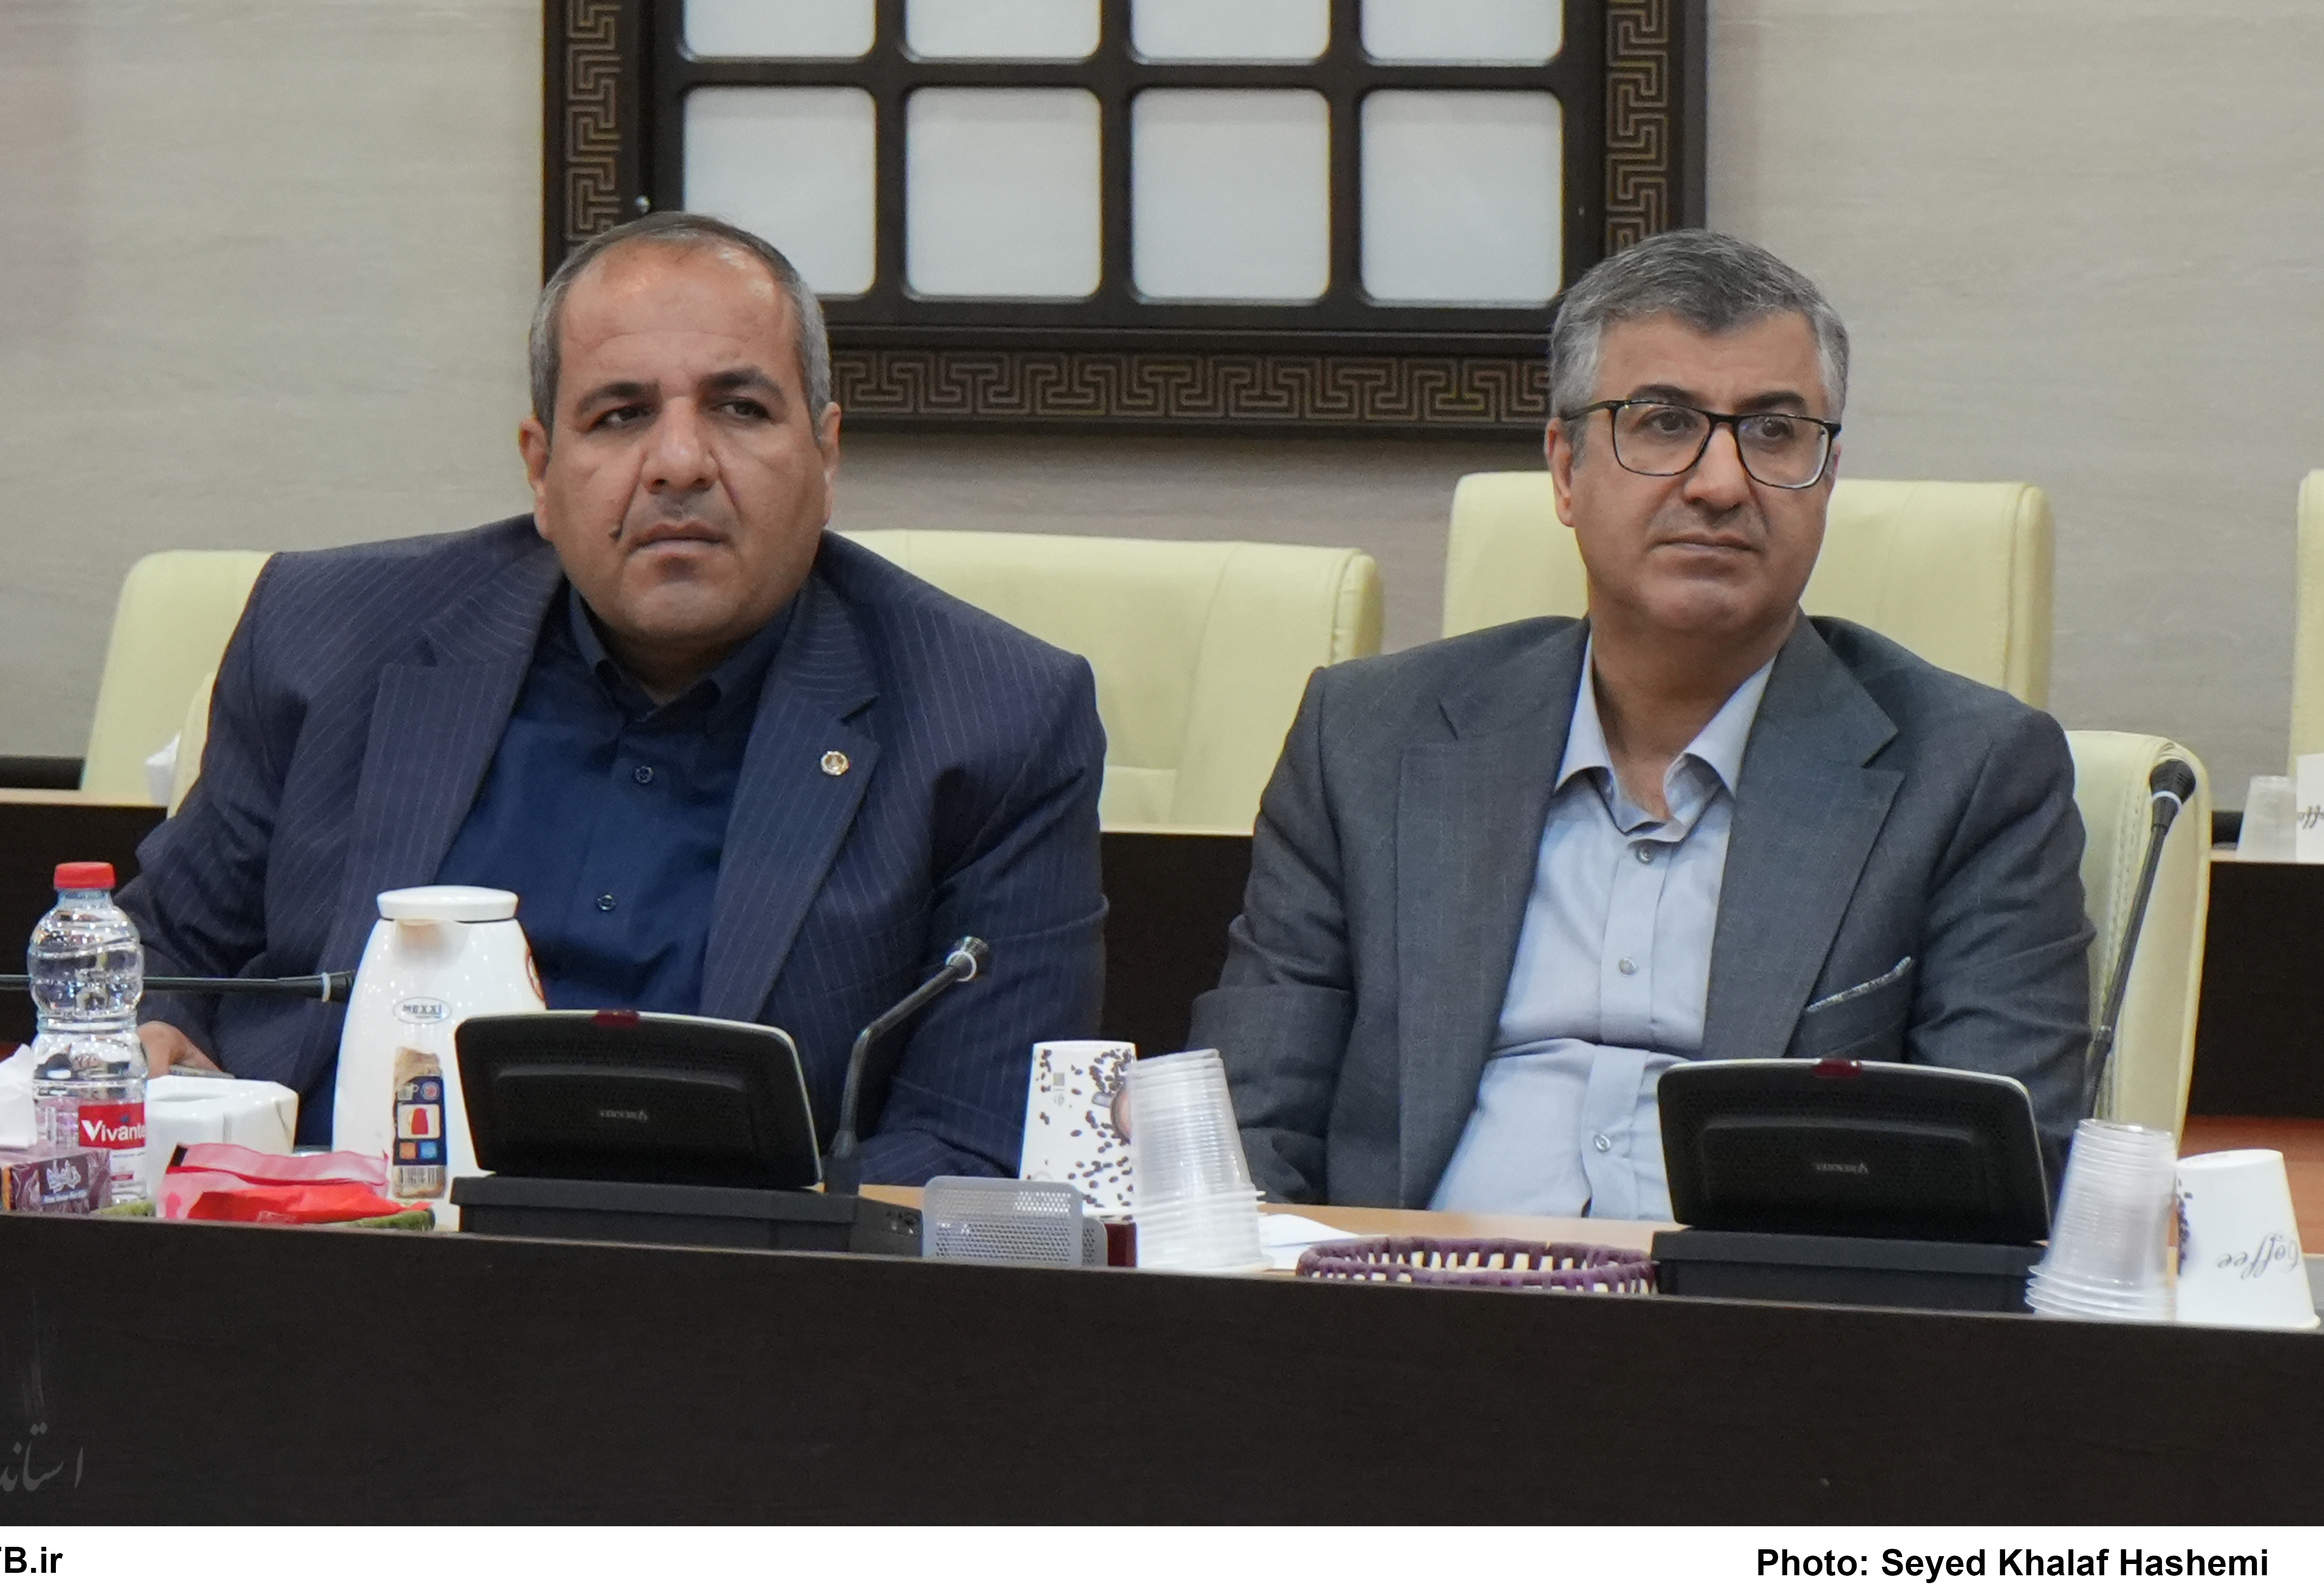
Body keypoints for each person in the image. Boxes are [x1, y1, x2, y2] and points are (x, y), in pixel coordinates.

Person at [121, 212, 1106, 1180]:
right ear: (541, 470)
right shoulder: (326, 639)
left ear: (827, 452)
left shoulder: (997, 721)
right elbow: (157, 956)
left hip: (747, 1273)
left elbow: (971, 1145)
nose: (679, 464)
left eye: (740, 409)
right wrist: (150, 1034)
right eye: (621, 416)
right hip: (335, 1247)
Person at [1188, 229, 2090, 1217]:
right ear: (1565, 470)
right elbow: (1243, 1135)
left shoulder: (1972, 775)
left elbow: (1993, 1186)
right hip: (1403, 1294)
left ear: (1828, 477)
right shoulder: (1367, 741)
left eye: (1774, 432)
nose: (1721, 483)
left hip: (1751, 1308)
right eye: (1663, 423)